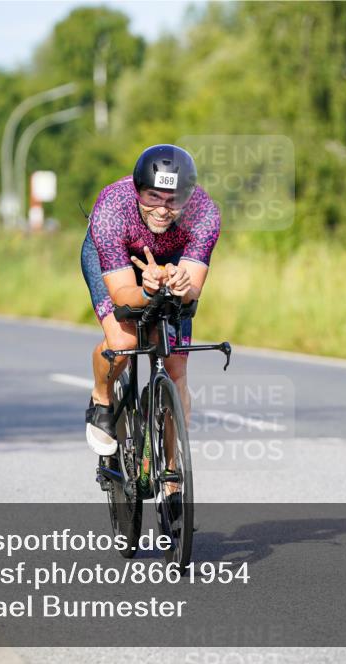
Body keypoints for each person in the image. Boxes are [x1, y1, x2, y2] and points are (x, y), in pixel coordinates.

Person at [81, 144, 221, 455]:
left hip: (171, 263)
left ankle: (171, 475)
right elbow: (122, 296)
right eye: (152, 197)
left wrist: (181, 287)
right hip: (116, 262)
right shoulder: (112, 207)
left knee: (175, 367)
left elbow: (192, 292)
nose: (161, 209)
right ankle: (102, 398)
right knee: (123, 342)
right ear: (137, 190)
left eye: (173, 201)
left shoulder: (204, 213)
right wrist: (146, 290)